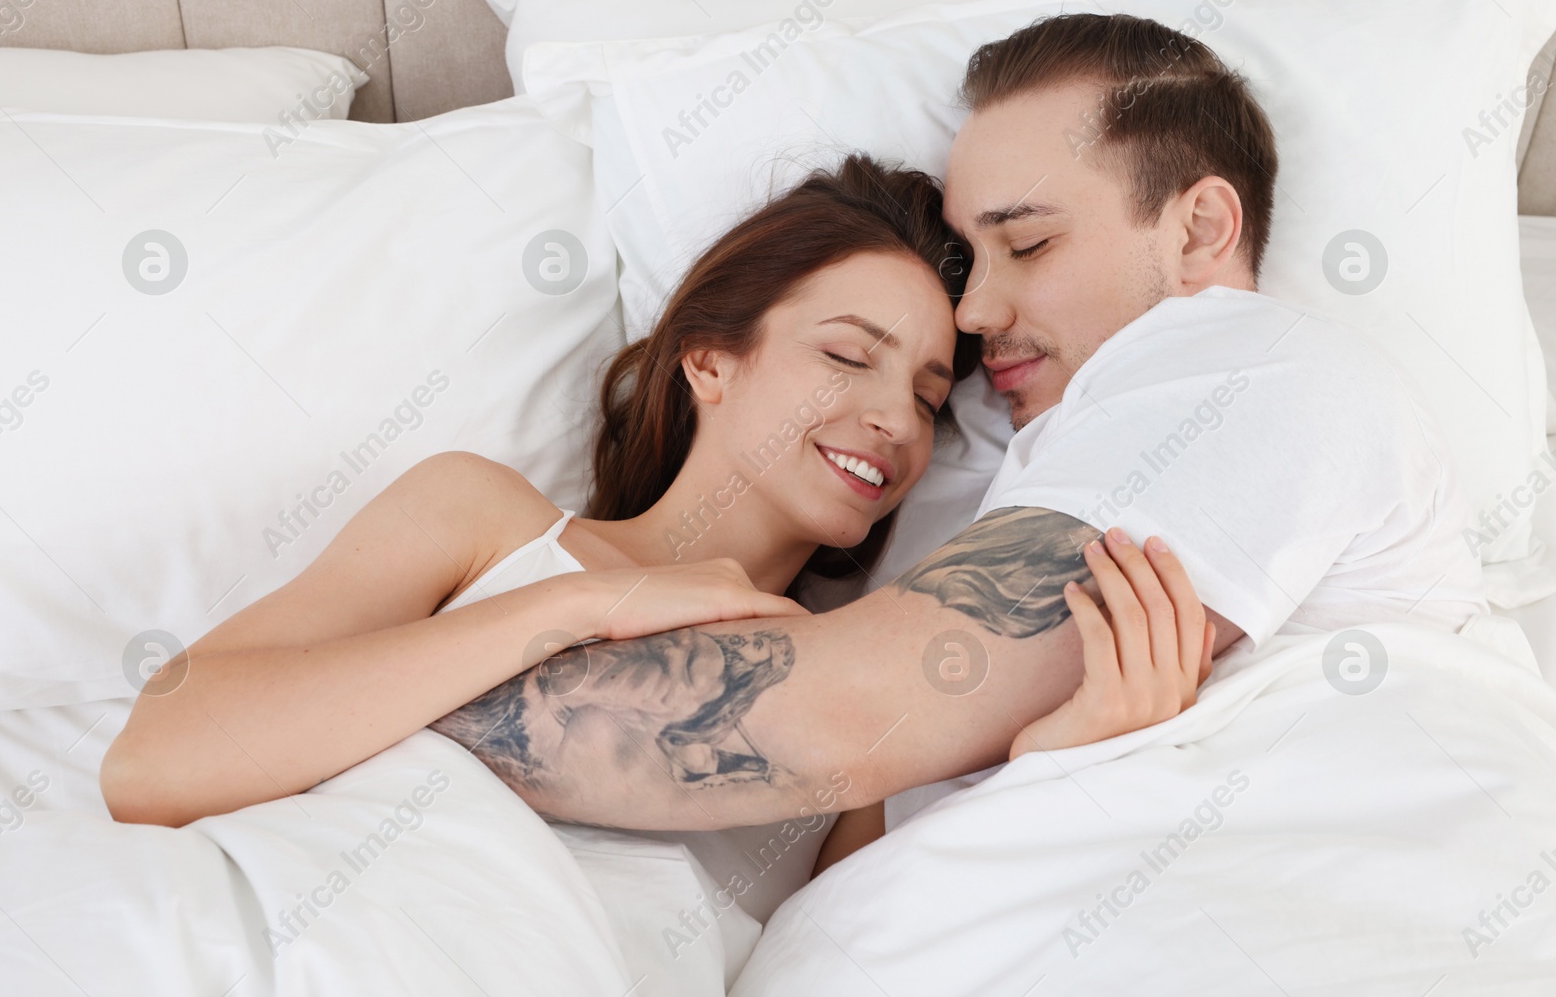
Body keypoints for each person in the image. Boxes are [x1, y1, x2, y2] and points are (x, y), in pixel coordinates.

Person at [338, 10, 1494, 837]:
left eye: (1028, 241)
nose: (979, 310)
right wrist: (1049, 764)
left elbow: (832, 716)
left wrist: (320, 702)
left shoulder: (1247, 369)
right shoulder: (1092, 451)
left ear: (1197, 231)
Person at [100, 153, 1206, 840]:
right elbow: (155, 758)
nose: (894, 420)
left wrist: (1063, 759)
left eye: (926, 395)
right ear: (710, 360)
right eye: (846, 354)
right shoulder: (484, 522)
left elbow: (856, 955)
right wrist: (573, 608)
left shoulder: (847, 698)